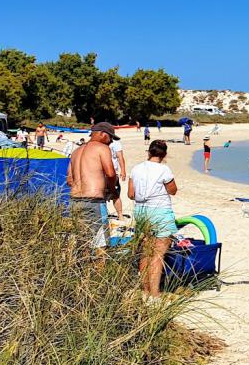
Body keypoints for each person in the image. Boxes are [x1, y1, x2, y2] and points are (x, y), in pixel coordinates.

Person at [129, 140, 178, 297]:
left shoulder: (136, 169)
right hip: (160, 211)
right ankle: (155, 293)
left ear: (149, 152)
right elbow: (173, 191)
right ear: (164, 155)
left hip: (141, 211)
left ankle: (145, 290)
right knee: (158, 253)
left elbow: (131, 194)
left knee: (145, 251)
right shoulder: (164, 169)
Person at [67, 123, 118, 253]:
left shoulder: (76, 151)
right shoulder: (102, 148)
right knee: (100, 244)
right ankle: (100, 273)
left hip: (74, 201)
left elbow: (69, 180)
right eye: (110, 137)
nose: (111, 141)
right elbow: (111, 173)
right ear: (102, 134)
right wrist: (112, 190)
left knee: (81, 241)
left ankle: (82, 272)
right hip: (94, 201)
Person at [108, 133, 127, 219]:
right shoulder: (99, 143)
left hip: (113, 172)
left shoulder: (115, 143)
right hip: (100, 173)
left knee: (115, 194)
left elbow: (120, 157)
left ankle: (120, 215)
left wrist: (123, 170)